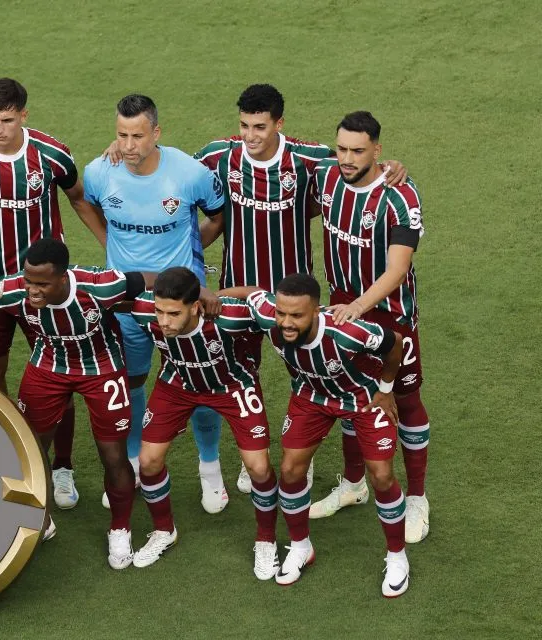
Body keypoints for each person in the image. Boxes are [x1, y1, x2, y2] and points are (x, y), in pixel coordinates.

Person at [194, 84, 407, 495]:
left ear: (279, 124)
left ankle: (302, 457)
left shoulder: (309, 158)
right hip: (238, 293)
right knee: (240, 374)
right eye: (244, 126)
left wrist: (391, 165)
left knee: (308, 375)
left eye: (259, 126)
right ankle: (249, 452)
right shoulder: (217, 155)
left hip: (293, 301)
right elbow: (172, 171)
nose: (250, 136)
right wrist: (122, 147)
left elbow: (356, 163)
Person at [0, 77, 109, 509]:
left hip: (44, 290)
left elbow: (77, 197)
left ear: (23, 116)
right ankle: (2, 453)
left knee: (62, 376)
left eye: (8, 120)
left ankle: (63, 467)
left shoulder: (50, 153)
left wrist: (113, 247)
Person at [0, 239, 154, 569]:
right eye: (29, 280)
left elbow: (152, 279)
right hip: (49, 364)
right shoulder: (17, 289)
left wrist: (201, 293)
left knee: (114, 453)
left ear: (64, 278)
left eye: (42, 283)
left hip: (101, 366)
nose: (32, 290)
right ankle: (40, 518)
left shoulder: (101, 285)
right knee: (31, 448)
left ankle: (120, 528)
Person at [225, 274, 410, 597]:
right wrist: (206, 294)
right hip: (311, 397)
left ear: (316, 311)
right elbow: (254, 293)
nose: (285, 322)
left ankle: (397, 556)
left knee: (381, 474)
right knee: (290, 470)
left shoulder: (346, 332)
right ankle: (300, 546)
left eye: (296, 315)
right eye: (282, 313)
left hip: (361, 398)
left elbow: (395, 342)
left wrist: (385, 389)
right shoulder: (270, 315)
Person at [85, 94, 227, 513]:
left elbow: (219, 215)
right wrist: (110, 246)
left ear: (157, 134)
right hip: (128, 301)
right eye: (121, 135)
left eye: (137, 136)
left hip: (183, 302)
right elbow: (87, 205)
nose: (128, 145)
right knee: (131, 380)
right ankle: (130, 466)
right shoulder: (100, 172)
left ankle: (210, 469)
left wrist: (190, 260)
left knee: (200, 382)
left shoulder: (189, 173)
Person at [308, 111, 431, 544]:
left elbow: (398, 268)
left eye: (357, 150)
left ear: (377, 151)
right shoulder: (324, 177)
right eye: (341, 148)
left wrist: (358, 306)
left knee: (405, 399)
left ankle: (417, 497)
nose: (346, 157)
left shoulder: (400, 195)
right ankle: (353, 485)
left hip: (390, 315)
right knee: (348, 395)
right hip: (345, 312)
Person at [128, 268, 279, 579]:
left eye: (173, 313)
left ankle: (266, 540)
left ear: (196, 306)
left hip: (232, 387)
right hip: (177, 384)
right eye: (159, 311)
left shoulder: (230, 317)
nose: (164, 321)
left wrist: (219, 294)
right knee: (148, 460)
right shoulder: (144, 310)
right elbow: (110, 285)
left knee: (259, 468)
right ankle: (163, 531)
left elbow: (259, 295)